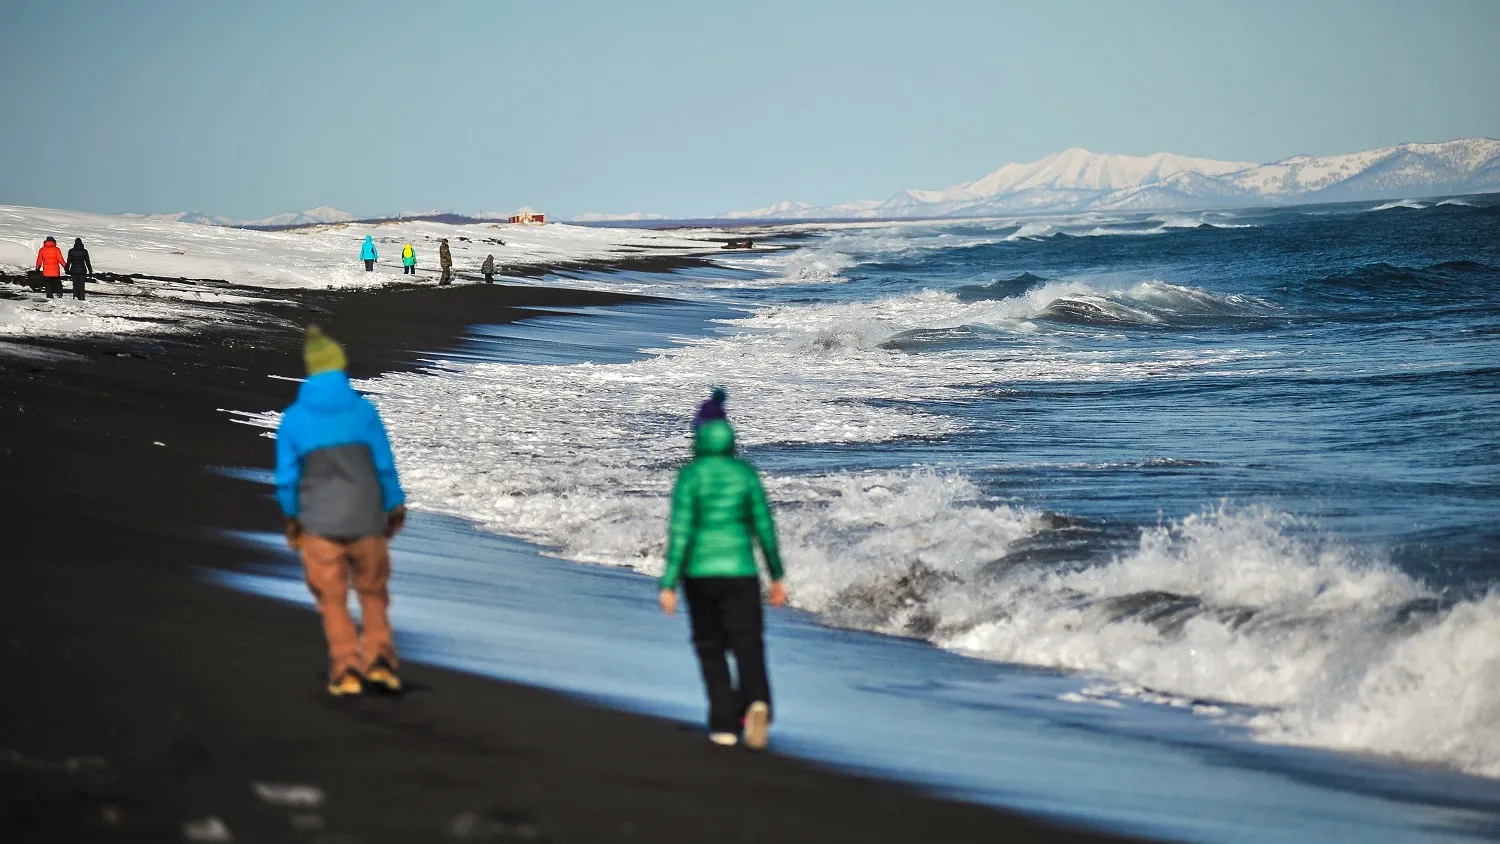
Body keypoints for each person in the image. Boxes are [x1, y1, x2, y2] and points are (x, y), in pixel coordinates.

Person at [276, 325, 408, 696]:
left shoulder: (294, 419)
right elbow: (384, 466)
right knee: (372, 592)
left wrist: (292, 518)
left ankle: (347, 668)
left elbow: (288, 479)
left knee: (332, 600)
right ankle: (380, 659)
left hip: (318, 524)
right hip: (367, 519)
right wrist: (394, 505)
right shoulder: (363, 412)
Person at [659, 416, 787, 749]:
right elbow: (764, 527)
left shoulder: (690, 476)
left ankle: (725, 722)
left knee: (710, 646)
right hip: (741, 571)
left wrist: (669, 582)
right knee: (747, 642)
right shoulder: (745, 474)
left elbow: (681, 531)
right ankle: (757, 701)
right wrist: (776, 575)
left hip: (699, 575)